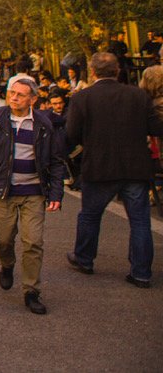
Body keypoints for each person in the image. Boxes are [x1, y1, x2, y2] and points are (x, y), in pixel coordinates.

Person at [65, 52, 163, 288]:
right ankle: (141, 272)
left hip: (99, 166)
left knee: (90, 215)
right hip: (135, 166)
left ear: (92, 72)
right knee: (140, 221)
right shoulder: (138, 96)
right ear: (117, 71)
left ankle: (85, 258)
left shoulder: (83, 98)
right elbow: (156, 127)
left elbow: (71, 134)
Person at [0, 75, 64, 315]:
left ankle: (31, 291)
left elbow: (55, 161)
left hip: (34, 192)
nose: (13, 97)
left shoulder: (44, 123)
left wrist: (56, 192)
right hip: (3, 192)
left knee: (33, 242)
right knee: (3, 238)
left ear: (33, 99)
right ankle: (7, 265)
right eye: (11, 92)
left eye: (20, 94)